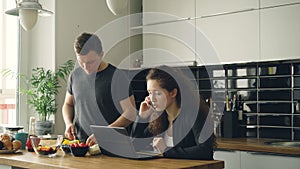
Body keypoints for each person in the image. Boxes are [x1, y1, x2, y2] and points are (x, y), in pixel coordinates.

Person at [62, 32, 136, 146]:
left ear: (101, 55)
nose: (86, 67)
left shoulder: (117, 76)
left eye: (90, 62)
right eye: (81, 62)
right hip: (82, 145)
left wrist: (103, 133)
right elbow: (68, 104)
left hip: (112, 145)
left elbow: (130, 113)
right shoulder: (75, 75)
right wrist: (68, 123)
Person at [132, 65, 215, 160]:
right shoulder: (160, 116)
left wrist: (166, 150)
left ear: (173, 93)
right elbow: (135, 146)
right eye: (150, 93)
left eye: (158, 93)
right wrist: (142, 117)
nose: (152, 99)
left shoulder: (194, 113)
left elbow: (205, 151)